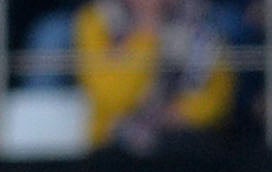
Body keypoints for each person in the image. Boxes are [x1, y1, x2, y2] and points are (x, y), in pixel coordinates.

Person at [74, 0, 234, 155]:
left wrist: (177, 113)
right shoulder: (98, 19)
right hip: (112, 145)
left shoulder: (199, 18)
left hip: (185, 143)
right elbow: (111, 96)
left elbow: (217, 99)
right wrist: (146, 36)